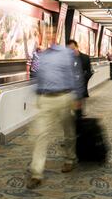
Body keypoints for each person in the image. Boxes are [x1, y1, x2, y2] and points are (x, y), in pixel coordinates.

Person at [26, 36, 84, 189]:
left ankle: (70, 159)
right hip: (45, 99)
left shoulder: (67, 53)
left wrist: (78, 96)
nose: (48, 37)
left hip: (64, 97)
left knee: (69, 132)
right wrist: (37, 93)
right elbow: (36, 75)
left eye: (52, 34)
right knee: (41, 135)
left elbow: (75, 75)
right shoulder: (40, 56)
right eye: (46, 34)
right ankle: (36, 173)